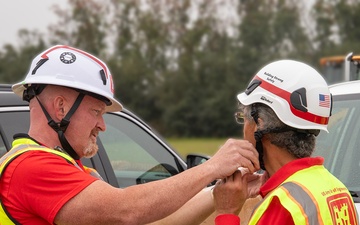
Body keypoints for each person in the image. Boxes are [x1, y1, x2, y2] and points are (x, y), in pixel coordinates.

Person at [0, 45, 261, 225]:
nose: (102, 125)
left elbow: (151, 221)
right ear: (60, 108)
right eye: (95, 112)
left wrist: (217, 192)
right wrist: (212, 167)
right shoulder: (29, 168)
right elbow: (128, 211)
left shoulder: (69, 169)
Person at [212, 60, 359, 224]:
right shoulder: (337, 190)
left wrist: (226, 212)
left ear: (259, 125)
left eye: (244, 118)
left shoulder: (282, 206)